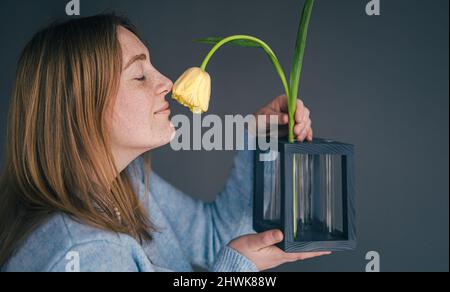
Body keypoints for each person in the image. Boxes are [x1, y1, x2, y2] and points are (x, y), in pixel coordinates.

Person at [0, 14, 328, 272]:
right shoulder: (85, 255)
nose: (167, 83)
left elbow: (216, 237)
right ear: (79, 106)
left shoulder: (125, 185)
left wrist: (262, 138)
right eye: (139, 76)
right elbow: (228, 255)